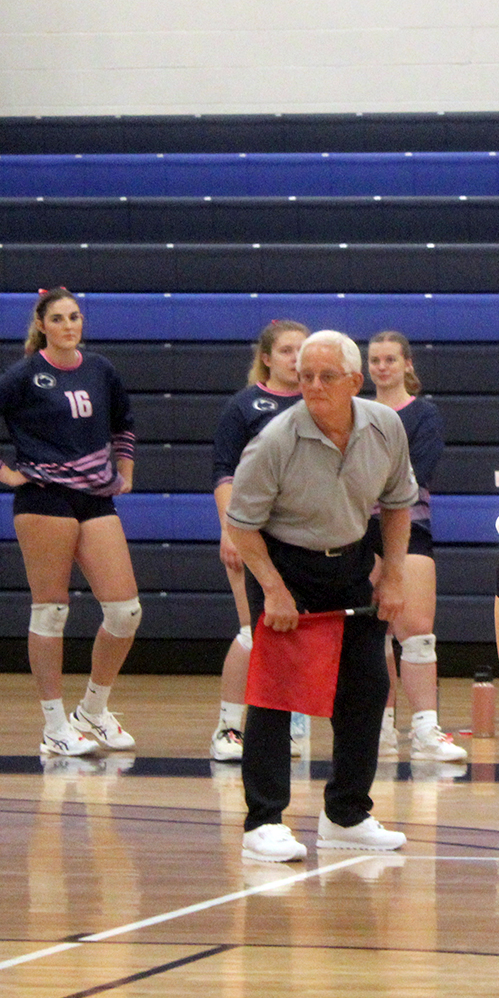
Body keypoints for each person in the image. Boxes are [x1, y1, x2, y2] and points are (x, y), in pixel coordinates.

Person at [224, 330, 415, 862]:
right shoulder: (276, 440)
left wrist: (394, 575)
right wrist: (275, 589)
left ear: (355, 381)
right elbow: (240, 524)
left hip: (352, 562)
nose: (311, 386)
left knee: (366, 688)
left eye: (325, 377)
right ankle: (263, 821)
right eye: (305, 376)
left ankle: (346, 815)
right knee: (275, 694)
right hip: (285, 565)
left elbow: (398, 503)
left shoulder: (385, 427)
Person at [0, 288, 141, 758]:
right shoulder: (24, 374)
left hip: (95, 497)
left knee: (125, 611)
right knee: (51, 610)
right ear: (41, 324)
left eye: (74, 317)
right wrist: (5, 472)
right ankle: (54, 724)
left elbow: (125, 421)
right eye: (58, 318)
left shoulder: (100, 369)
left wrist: (126, 471)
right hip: (43, 498)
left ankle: (92, 711)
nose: (68, 325)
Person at [208, 320, 307, 762]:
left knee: (293, 635)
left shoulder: (318, 404)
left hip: (303, 536)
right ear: (266, 357)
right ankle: (229, 728)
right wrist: (231, 530)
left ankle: (281, 727)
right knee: (253, 630)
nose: (296, 358)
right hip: (253, 533)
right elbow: (224, 475)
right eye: (287, 350)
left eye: (302, 350)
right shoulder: (245, 406)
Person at [366, 329, 464, 763]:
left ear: (407, 364)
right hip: (358, 532)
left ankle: (425, 729)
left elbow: (416, 472)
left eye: (390, 359)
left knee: (416, 631)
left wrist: (367, 486)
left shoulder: (424, 414)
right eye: (375, 360)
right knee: (373, 632)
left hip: (410, 528)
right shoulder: (356, 412)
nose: (382, 367)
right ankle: (379, 728)